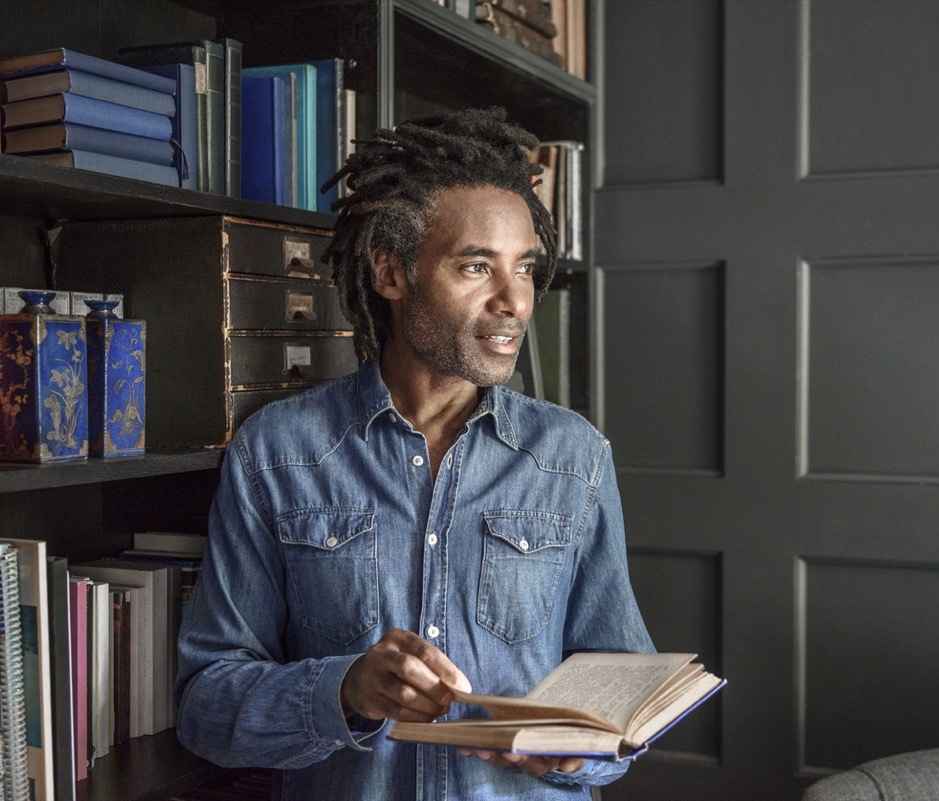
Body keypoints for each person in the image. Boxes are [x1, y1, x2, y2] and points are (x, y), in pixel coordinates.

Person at [175, 107, 654, 800]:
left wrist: (585, 751)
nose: (514, 300)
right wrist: (344, 689)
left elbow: (620, 685)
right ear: (392, 273)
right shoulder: (276, 453)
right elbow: (204, 703)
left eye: (523, 266)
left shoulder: (573, 457)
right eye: (475, 266)